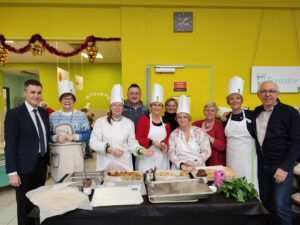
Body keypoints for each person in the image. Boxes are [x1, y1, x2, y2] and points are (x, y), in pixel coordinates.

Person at [254, 80, 300, 225]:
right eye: (263, 91)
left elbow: (297, 142)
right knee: (266, 204)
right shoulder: (256, 111)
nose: (267, 94)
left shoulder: (289, 112)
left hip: (280, 167)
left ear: (278, 93)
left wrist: (285, 167)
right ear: (258, 94)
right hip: (262, 166)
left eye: (271, 91)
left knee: (281, 205)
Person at [4, 79, 49, 225]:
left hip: (41, 165)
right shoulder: (14, 114)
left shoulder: (43, 113)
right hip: (23, 168)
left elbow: (44, 137)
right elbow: (10, 145)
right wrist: (12, 173)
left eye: (39, 92)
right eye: (32, 92)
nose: (36, 96)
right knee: (24, 206)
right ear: (25, 93)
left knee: (38, 203)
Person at [90, 84, 152, 171]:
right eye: (114, 105)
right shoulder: (100, 122)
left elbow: (132, 143)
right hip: (105, 165)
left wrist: (141, 150)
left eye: (120, 105)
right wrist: (110, 150)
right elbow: (93, 142)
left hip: (124, 165)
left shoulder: (129, 123)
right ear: (110, 107)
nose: (117, 108)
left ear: (123, 107)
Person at [49, 80, 91, 182]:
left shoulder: (81, 115)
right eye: (64, 98)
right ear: (60, 100)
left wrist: (75, 137)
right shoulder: (53, 116)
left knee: (76, 184)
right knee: (60, 186)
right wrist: (55, 138)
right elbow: (48, 135)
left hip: (76, 157)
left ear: (74, 100)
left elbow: (88, 134)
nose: (67, 101)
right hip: (59, 158)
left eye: (70, 98)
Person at [223, 76, 259, 191]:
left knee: (248, 182)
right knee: (232, 181)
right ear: (228, 101)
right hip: (231, 155)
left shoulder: (252, 115)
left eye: (237, 98)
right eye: (231, 98)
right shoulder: (226, 117)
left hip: (247, 156)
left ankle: (253, 207)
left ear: (242, 100)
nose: (234, 101)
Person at [168, 95, 211, 172]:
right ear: (176, 119)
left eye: (185, 117)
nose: (182, 119)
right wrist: (181, 165)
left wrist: (195, 162)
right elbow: (171, 153)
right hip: (179, 169)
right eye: (179, 117)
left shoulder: (199, 132)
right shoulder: (173, 134)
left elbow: (206, 151)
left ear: (189, 118)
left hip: (197, 168)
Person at [136, 83, 171, 172]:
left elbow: (168, 138)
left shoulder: (166, 121)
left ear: (162, 107)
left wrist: (164, 144)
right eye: (154, 105)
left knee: (162, 180)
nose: (157, 107)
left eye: (159, 105)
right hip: (147, 156)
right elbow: (138, 137)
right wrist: (152, 142)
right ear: (151, 106)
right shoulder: (144, 119)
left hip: (162, 157)